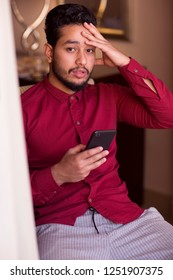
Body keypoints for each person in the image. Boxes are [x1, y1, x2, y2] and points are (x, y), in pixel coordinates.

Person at [21, 3, 173, 260]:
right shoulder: (21, 109)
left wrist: (122, 61)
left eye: (90, 50)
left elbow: (167, 115)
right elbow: (10, 193)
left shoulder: (108, 95)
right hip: (61, 228)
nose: (82, 60)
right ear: (49, 52)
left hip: (127, 220)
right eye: (71, 49)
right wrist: (58, 173)